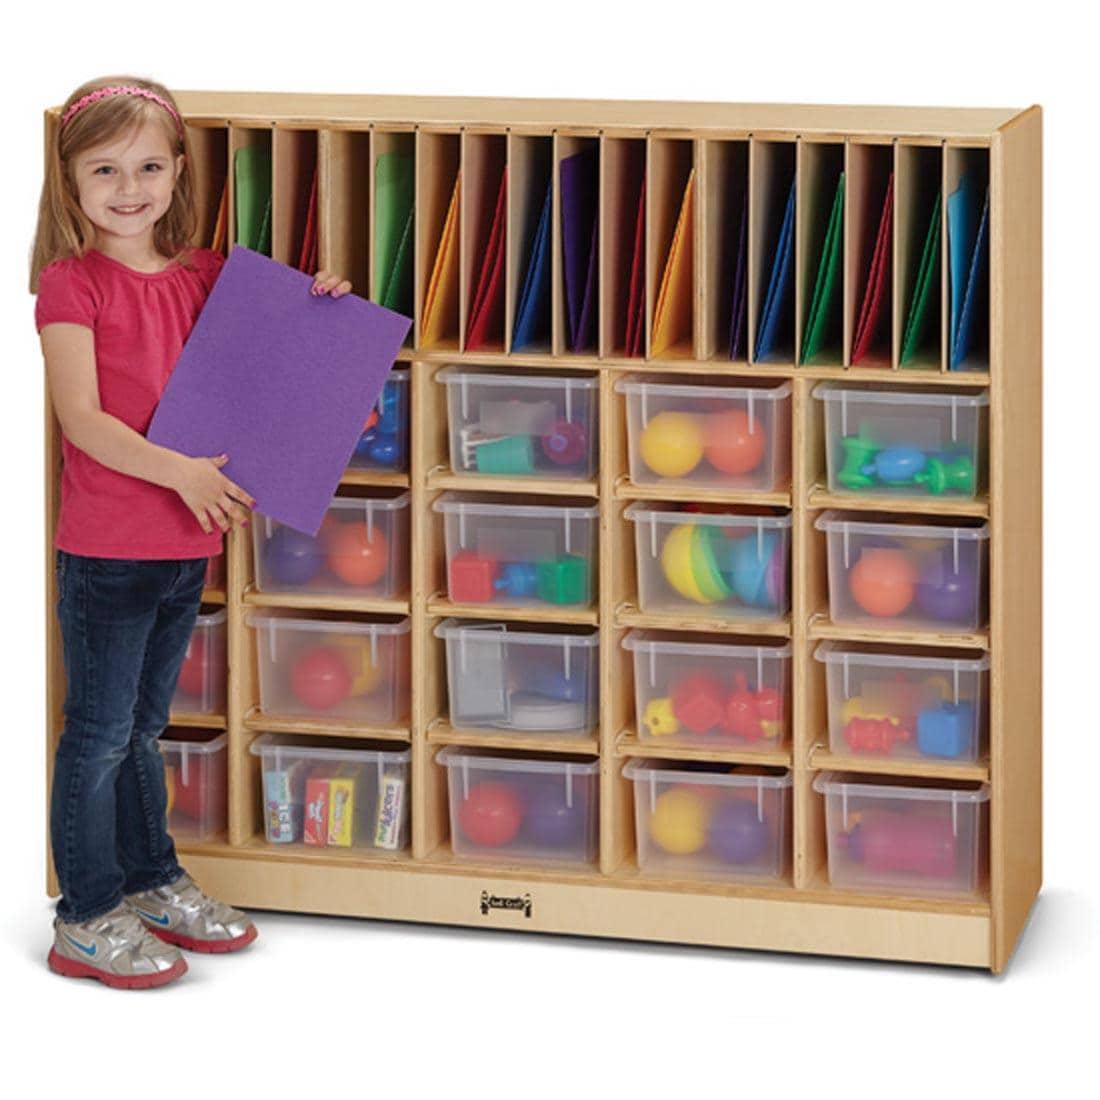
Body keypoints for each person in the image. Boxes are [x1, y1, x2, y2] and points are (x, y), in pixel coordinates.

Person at [30, 76, 353, 989]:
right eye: (104, 169)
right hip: (108, 548)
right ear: (70, 182)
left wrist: (320, 298)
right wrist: (182, 472)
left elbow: (287, 347)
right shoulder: (70, 282)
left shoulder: (207, 274)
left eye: (147, 166)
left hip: (186, 545)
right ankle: (85, 913)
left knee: (142, 729)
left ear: (178, 172)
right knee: (97, 732)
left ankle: (150, 879)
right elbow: (83, 421)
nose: (127, 187)